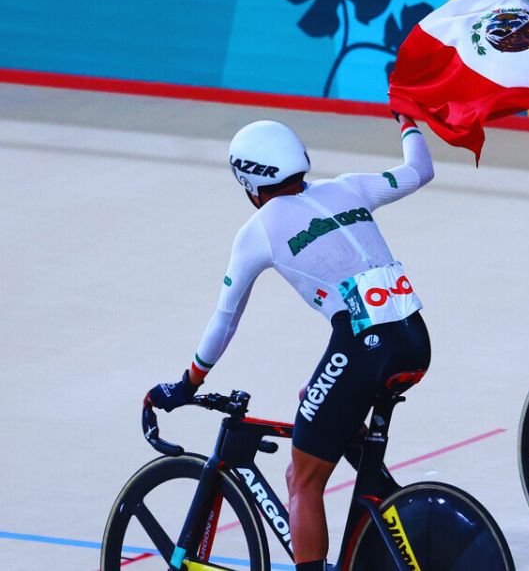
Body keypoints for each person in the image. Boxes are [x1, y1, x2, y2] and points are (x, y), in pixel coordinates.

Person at [146, 115, 435, 571]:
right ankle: (382, 494)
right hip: (415, 337)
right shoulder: (346, 188)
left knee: (301, 481)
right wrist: (408, 120)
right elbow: (420, 171)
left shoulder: (258, 230)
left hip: (363, 343)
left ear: (248, 182)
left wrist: (188, 383)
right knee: (314, 397)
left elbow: (225, 321)